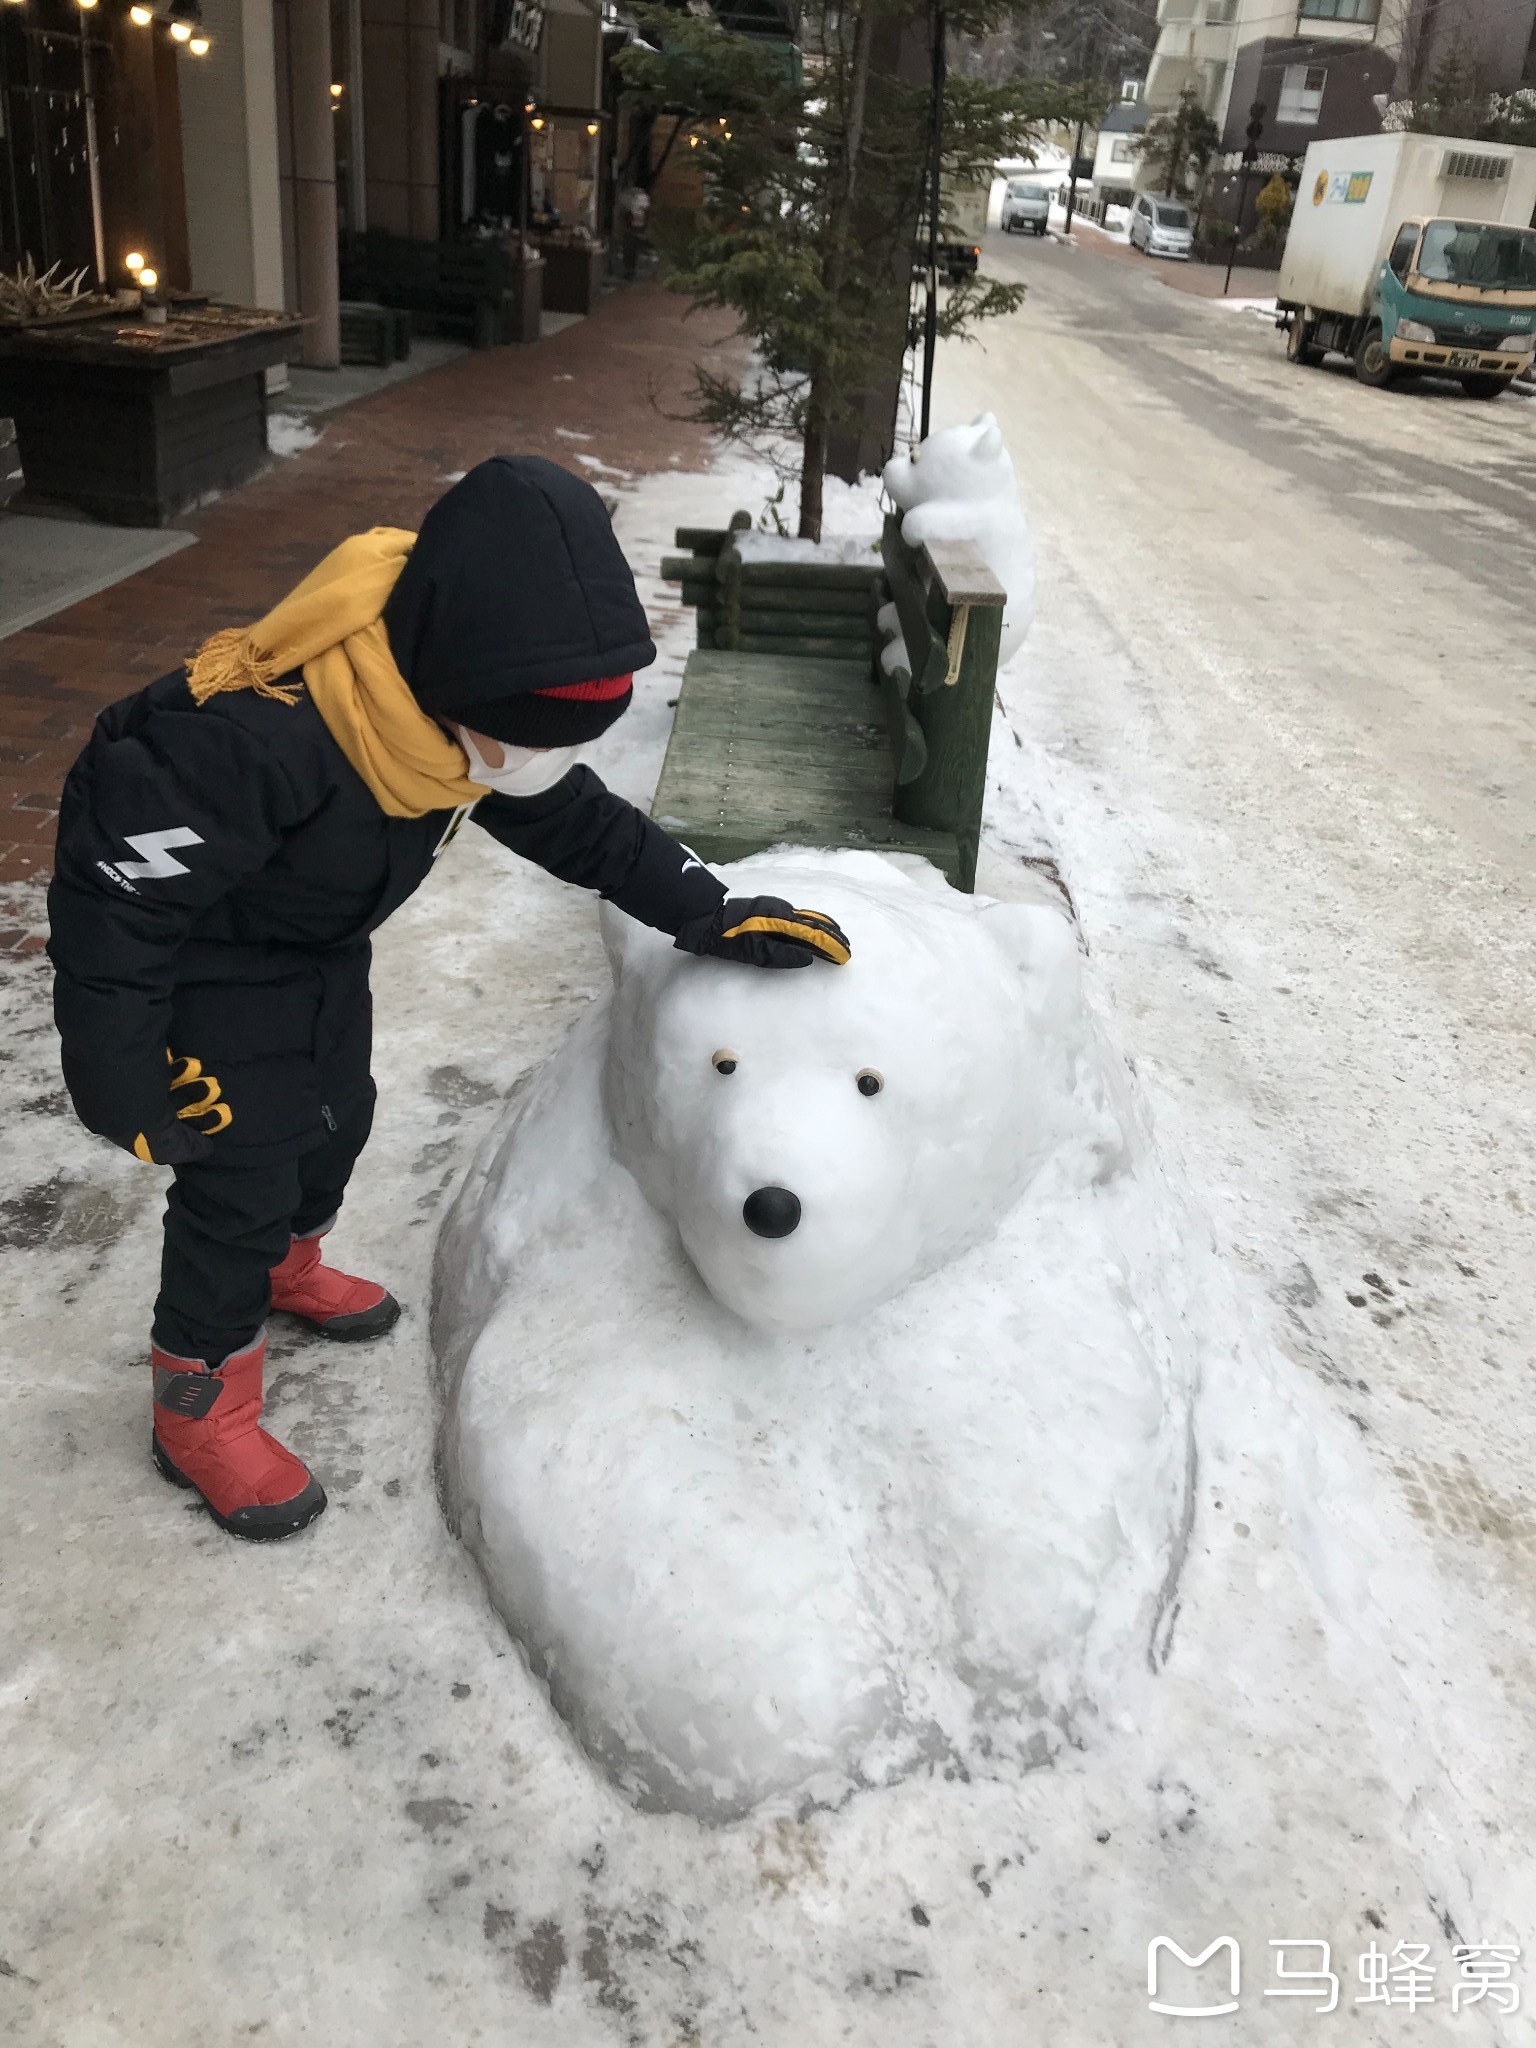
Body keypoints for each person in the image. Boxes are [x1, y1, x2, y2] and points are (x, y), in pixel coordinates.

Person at [47, 457, 850, 1543]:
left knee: (339, 1112)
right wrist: (118, 1071)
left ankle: (287, 1266)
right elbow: (116, 899)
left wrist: (707, 908)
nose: (540, 766)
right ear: (461, 690)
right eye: (533, 740)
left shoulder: (451, 709)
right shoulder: (258, 738)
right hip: (202, 954)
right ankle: (199, 1404)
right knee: (237, 1169)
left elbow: (573, 821)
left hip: (312, 940)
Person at [621, 183, 651, 281]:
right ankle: (631, 271)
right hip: (636, 234)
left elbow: (627, 223)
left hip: (632, 234)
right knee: (632, 254)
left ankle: (629, 272)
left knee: (630, 254)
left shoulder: (632, 212)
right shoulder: (641, 213)